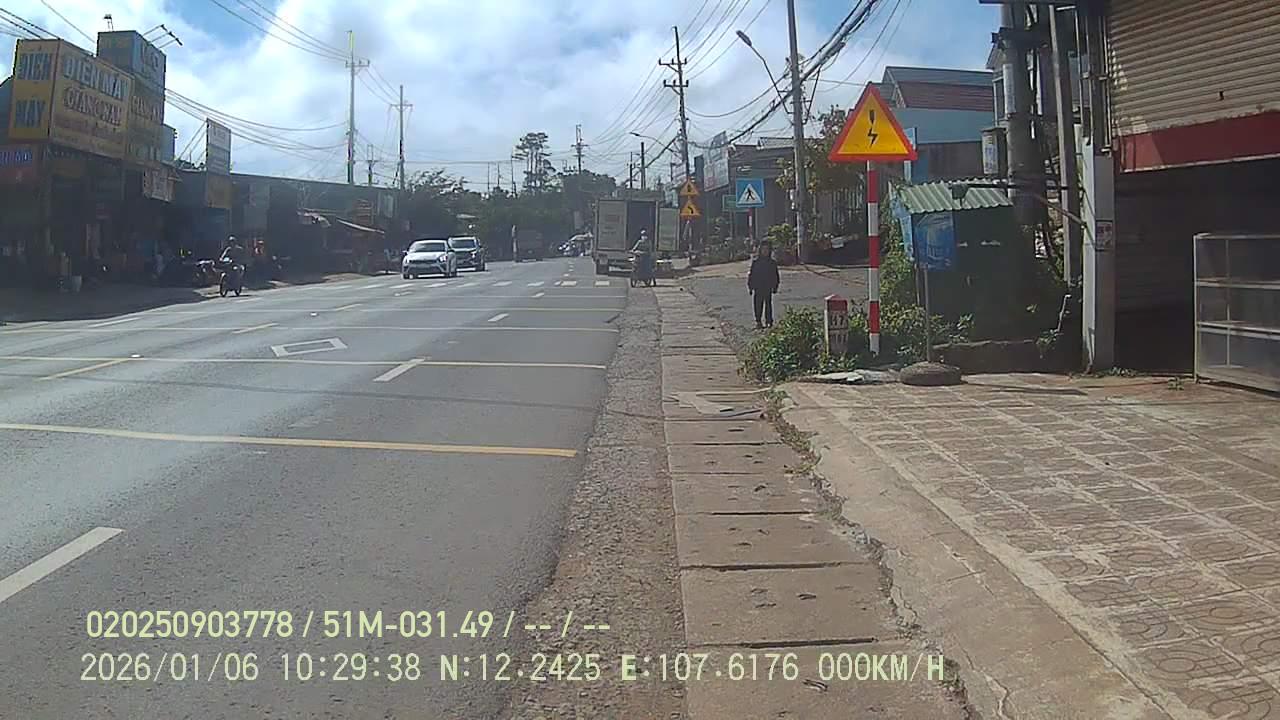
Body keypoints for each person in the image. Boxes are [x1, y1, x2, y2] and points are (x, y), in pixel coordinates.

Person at [747, 241, 780, 329]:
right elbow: (752, 275)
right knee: (758, 304)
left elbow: (775, 275)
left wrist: (775, 286)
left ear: (769, 251)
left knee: (768, 304)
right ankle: (758, 321)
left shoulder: (772, 263)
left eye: (767, 249)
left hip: (768, 286)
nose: (765, 251)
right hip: (758, 287)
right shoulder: (756, 262)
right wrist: (750, 286)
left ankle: (769, 321)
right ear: (760, 250)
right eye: (763, 249)